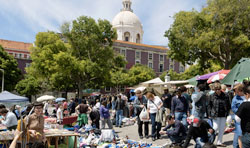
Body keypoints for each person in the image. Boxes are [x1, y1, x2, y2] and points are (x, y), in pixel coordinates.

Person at [208, 82, 231, 147]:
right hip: (215, 114)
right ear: (214, 90)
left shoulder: (225, 95)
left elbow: (228, 104)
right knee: (215, 127)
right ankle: (210, 141)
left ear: (220, 89)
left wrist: (228, 111)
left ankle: (219, 142)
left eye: (218, 89)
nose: (217, 91)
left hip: (223, 114)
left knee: (222, 129)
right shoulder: (211, 96)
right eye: (216, 89)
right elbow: (209, 106)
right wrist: (209, 114)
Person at [231, 84, 245, 148]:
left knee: (241, 133)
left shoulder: (247, 96)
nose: (236, 93)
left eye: (237, 91)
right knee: (239, 133)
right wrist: (240, 112)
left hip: (246, 118)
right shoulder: (235, 98)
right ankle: (235, 146)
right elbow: (233, 108)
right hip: (238, 117)